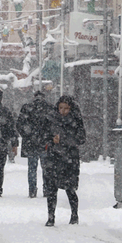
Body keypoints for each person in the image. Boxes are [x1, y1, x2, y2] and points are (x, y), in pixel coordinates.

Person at [43, 95, 86, 226]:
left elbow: (81, 138)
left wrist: (64, 140)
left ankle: (74, 215)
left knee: (70, 189)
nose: (63, 111)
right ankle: (51, 217)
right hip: (53, 157)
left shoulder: (76, 120)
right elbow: (43, 136)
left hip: (69, 158)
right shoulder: (50, 119)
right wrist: (51, 140)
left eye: (66, 108)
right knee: (51, 189)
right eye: (61, 108)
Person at [16, 90, 53, 198]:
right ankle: (47, 189)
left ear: (34, 97)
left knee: (32, 168)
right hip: (45, 143)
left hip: (31, 143)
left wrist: (27, 135)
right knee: (46, 168)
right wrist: (49, 137)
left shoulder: (27, 108)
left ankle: (32, 190)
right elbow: (54, 125)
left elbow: (19, 124)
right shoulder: (49, 108)